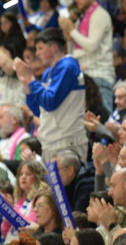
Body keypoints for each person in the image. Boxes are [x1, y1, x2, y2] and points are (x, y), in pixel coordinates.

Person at [15, 29, 89, 162]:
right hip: (51, 141)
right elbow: (39, 110)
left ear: (54, 48)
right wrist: (26, 83)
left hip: (67, 141)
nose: (37, 54)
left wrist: (31, 78)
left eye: (40, 48)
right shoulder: (48, 73)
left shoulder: (68, 66)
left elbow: (50, 103)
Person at [60, 0, 116, 112]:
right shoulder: (82, 17)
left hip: (99, 76)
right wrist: (69, 37)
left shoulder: (100, 14)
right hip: (84, 77)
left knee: (103, 122)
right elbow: (75, 50)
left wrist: (72, 31)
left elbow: (91, 46)